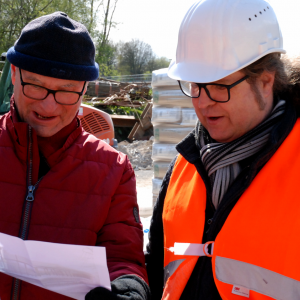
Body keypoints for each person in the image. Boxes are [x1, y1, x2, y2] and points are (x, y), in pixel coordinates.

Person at [146, 0, 300, 299]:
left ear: (266, 81)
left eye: (219, 86)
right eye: (195, 85)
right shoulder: (185, 164)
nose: (202, 102)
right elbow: (156, 264)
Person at [0, 12, 150, 300]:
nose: (48, 104)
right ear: (15, 73)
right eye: (35, 85)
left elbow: (122, 257)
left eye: (66, 91)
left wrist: (129, 287)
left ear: (84, 90)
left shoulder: (114, 170)